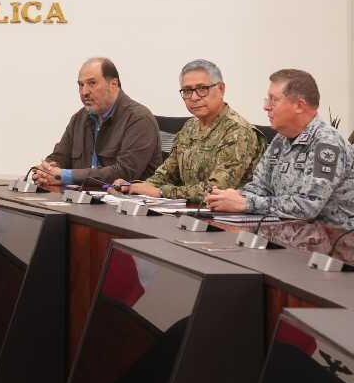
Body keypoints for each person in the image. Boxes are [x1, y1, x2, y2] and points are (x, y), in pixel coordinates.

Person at [207, 69, 354, 253]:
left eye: (273, 100)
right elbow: (259, 187)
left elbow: (308, 207)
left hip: (332, 251)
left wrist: (246, 203)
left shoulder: (327, 143)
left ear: (299, 105)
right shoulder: (281, 140)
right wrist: (231, 197)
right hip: (285, 239)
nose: (266, 107)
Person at [119, 59, 264, 202]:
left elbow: (216, 190)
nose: (194, 97)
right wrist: (135, 187)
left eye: (202, 89)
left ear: (221, 89)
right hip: (187, 212)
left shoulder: (237, 131)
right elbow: (166, 174)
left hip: (225, 217)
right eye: (187, 91)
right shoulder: (189, 127)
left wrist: (161, 192)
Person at [33, 57, 160, 189]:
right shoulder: (79, 118)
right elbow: (60, 156)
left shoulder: (139, 119)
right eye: (81, 85)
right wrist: (45, 171)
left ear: (113, 85)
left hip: (125, 204)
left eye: (92, 83)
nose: (84, 92)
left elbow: (124, 173)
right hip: (83, 201)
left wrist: (63, 176)